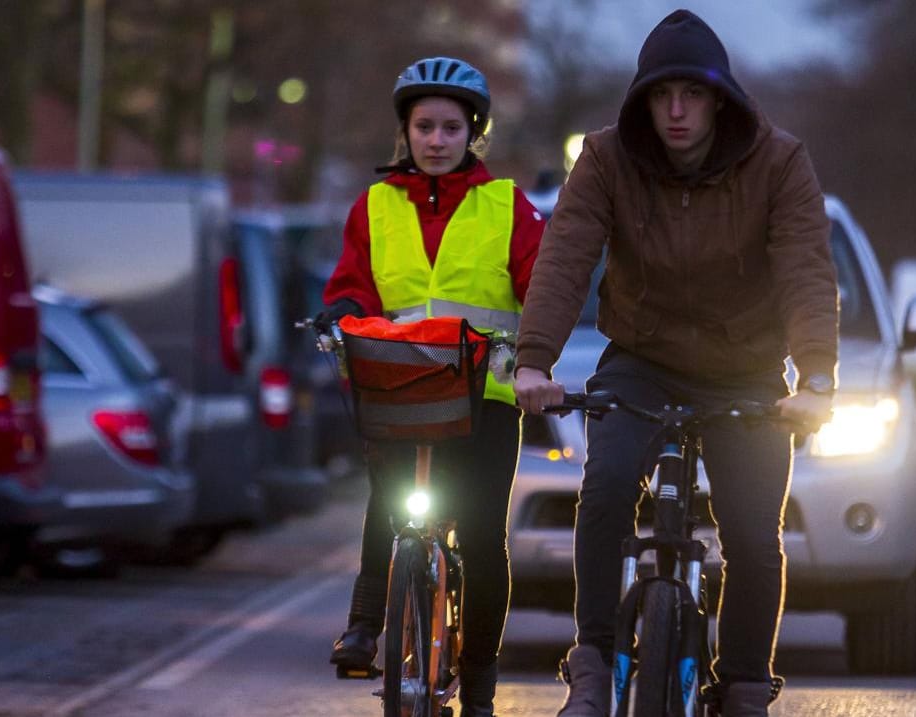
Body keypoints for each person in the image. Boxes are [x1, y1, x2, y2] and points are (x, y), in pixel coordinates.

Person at [513, 10, 838, 717]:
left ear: (721, 98)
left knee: (754, 533)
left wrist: (814, 377)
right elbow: (566, 255)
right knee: (601, 492)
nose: (677, 111)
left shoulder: (779, 162)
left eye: (691, 94)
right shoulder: (605, 158)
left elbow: (806, 272)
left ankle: (746, 685)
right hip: (642, 359)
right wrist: (533, 359)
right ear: (642, 101)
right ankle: (594, 662)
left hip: (746, 367)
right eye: (662, 96)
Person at [315, 56, 544, 717]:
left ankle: (477, 685)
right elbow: (354, 281)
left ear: (473, 132)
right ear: (406, 132)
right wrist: (341, 309)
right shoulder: (374, 205)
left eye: (450, 127)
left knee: (478, 538)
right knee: (388, 502)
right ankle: (364, 625)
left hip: (485, 399)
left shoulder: (506, 205)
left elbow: (541, 286)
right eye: (424, 127)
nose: (436, 140)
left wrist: (537, 354)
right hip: (400, 388)